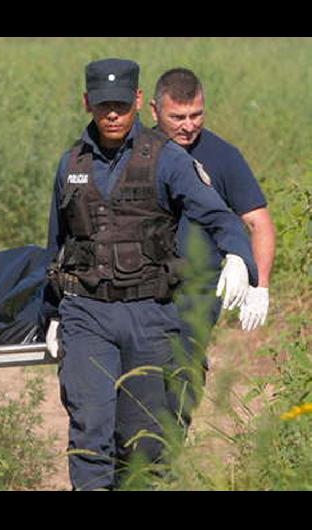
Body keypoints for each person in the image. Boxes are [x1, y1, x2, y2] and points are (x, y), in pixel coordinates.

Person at [44, 58, 258, 490]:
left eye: (121, 105)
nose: (112, 115)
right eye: (103, 105)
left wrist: (239, 258)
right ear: (87, 103)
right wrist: (49, 314)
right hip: (86, 314)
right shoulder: (71, 164)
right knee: (90, 430)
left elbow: (221, 217)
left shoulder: (167, 160)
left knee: (142, 443)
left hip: (150, 313)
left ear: (138, 102)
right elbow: (57, 243)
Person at [150, 67, 276, 429]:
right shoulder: (139, 151)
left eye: (196, 115)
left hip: (196, 294)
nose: (189, 125)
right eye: (178, 117)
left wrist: (259, 285)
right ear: (155, 111)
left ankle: (164, 468)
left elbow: (258, 222)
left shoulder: (223, 156)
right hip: (139, 288)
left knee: (179, 386)